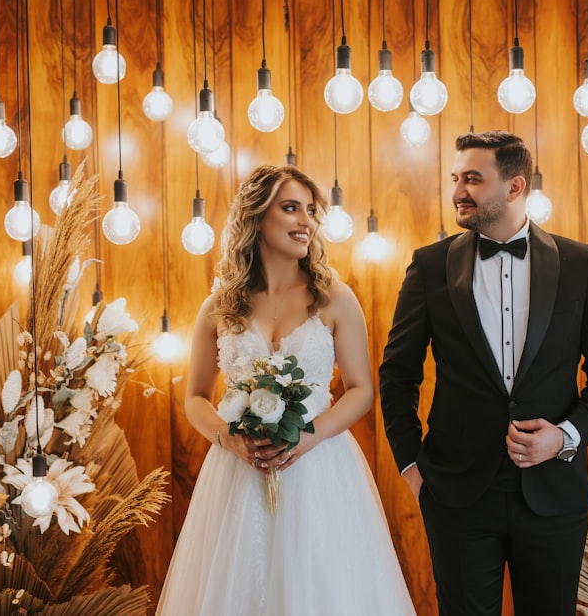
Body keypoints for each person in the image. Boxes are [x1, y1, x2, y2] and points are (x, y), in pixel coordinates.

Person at [379, 130, 588, 616]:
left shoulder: (580, 264)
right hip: (456, 494)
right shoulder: (429, 267)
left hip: (554, 492)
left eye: (473, 179)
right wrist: (411, 465)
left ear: (515, 187)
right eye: (456, 178)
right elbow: (398, 373)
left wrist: (565, 436)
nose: (458, 191)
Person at [156, 164, 415, 615]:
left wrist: (309, 436)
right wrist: (230, 439)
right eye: (291, 208)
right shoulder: (219, 305)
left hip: (320, 467)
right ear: (256, 217)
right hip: (239, 470)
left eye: (311, 211)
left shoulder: (334, 296)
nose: (306, 222)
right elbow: (195, 397)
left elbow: (360, 390)